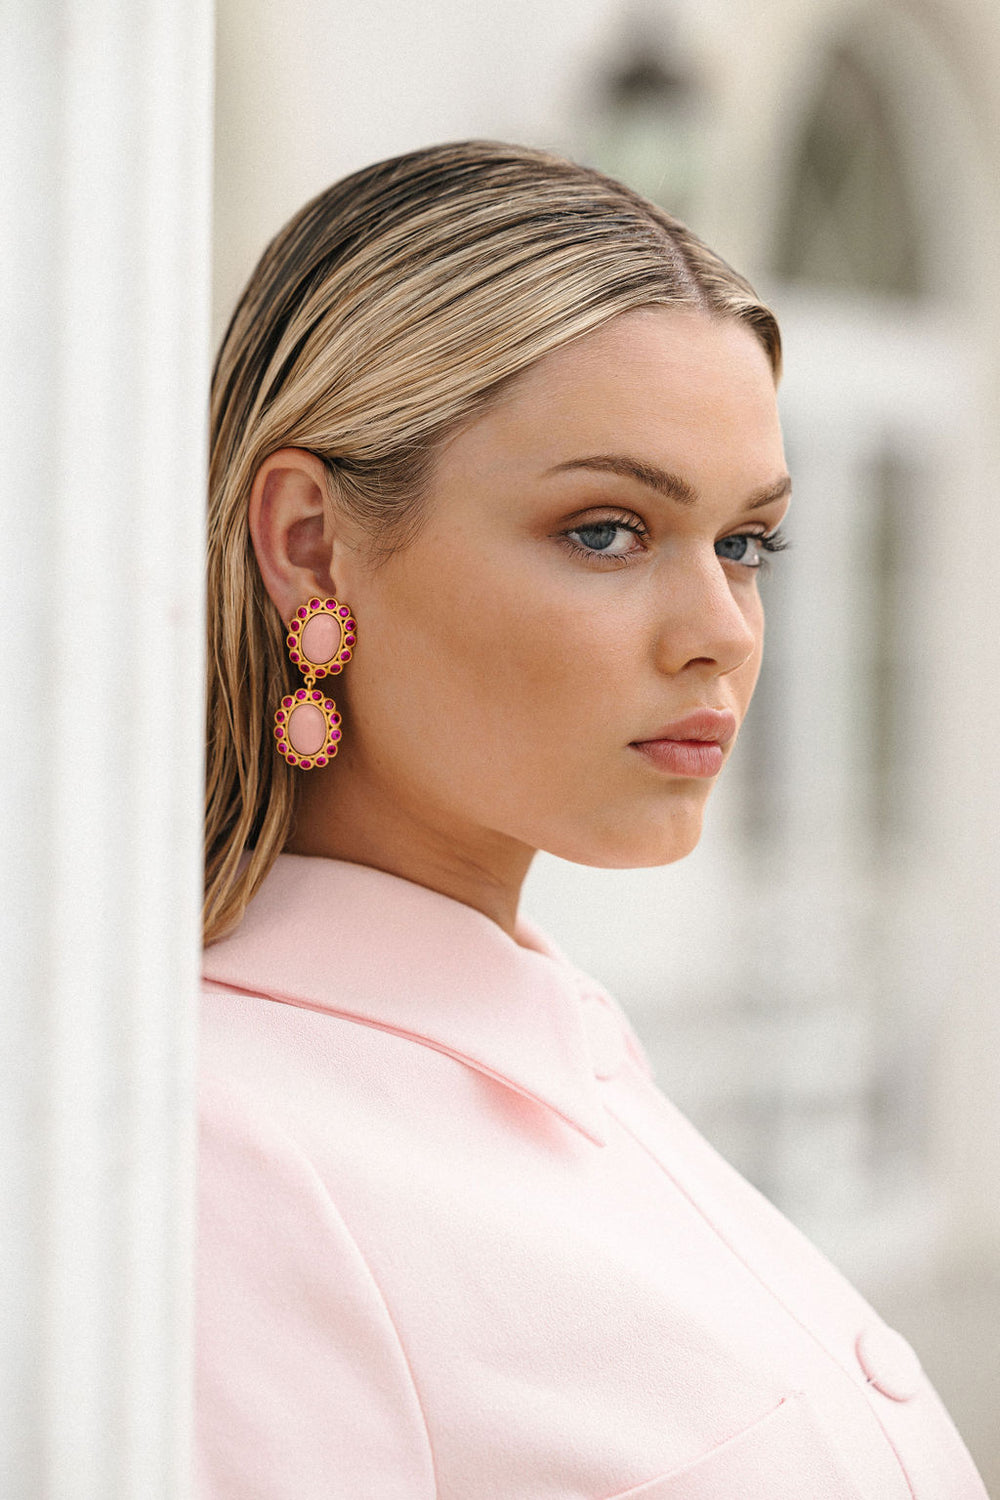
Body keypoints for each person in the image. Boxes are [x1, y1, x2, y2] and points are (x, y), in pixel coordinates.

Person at [198, 141, 987, 1498]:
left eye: (748, 542)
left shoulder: (555, 1050)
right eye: (608, 531)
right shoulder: (227, 1152)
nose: (723, 635)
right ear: (311, 541)